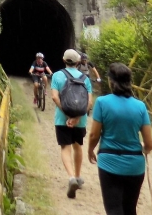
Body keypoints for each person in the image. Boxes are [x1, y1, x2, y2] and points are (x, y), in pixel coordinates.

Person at [87, 62, 152, 215]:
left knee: (113, 209)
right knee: (130, 209)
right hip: (135, 167)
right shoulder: (140, 106)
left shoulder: (102, 102)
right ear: (129, 82)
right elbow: (149, 144)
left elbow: (94, 134)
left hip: (109, 163)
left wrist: (90, 150)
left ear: (111, 81)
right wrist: (143, 148)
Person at [51, 49, 94, 199]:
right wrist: (77, 117)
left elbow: (55, 98)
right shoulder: (85, 78)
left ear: (64, 60)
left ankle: (71, 178)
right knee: (77, 146)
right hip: (80, 121)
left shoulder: (57, 75)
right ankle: (78, 175)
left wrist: (68, 114)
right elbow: (89, 102)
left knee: (65, 147)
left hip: (62, 119)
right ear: (77, 62)